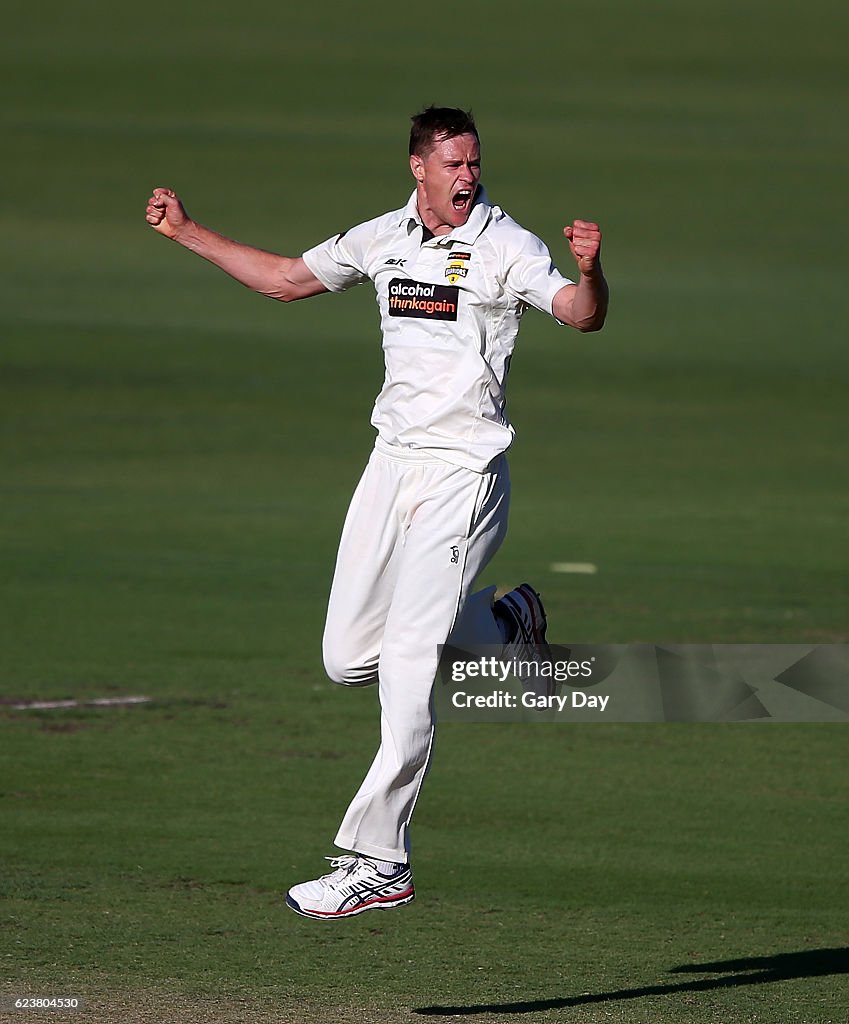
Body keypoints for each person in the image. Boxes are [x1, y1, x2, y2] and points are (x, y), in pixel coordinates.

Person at [145, 106, 608, 920]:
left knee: (403, 662)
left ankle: (378, 858)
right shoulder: (382, 237)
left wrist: (590, 271)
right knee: (345, 658)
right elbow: (287, 280)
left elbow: (577, 312)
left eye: (474, 163)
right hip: (388, 470)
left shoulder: (507, 244)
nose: (468, 177)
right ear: (417, 169)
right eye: (453, 164)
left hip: (463, 476)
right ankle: (504, 625)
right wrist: (187, 233)